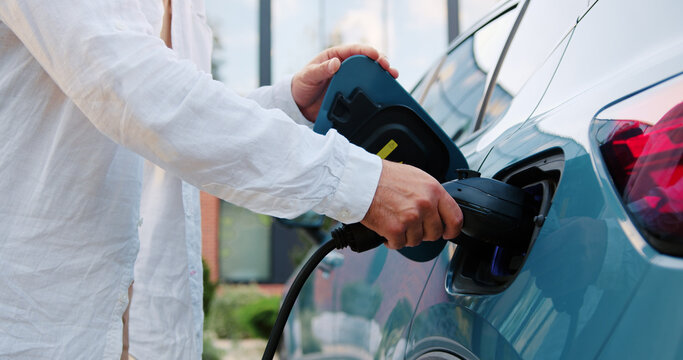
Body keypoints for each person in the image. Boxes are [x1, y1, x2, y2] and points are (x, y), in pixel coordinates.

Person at [0, 1, 463, 359]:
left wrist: (286, 105)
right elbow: (135, 95)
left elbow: (166, 136)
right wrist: (362, 184)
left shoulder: (187, 10)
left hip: (144, 331)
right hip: (43, 321)